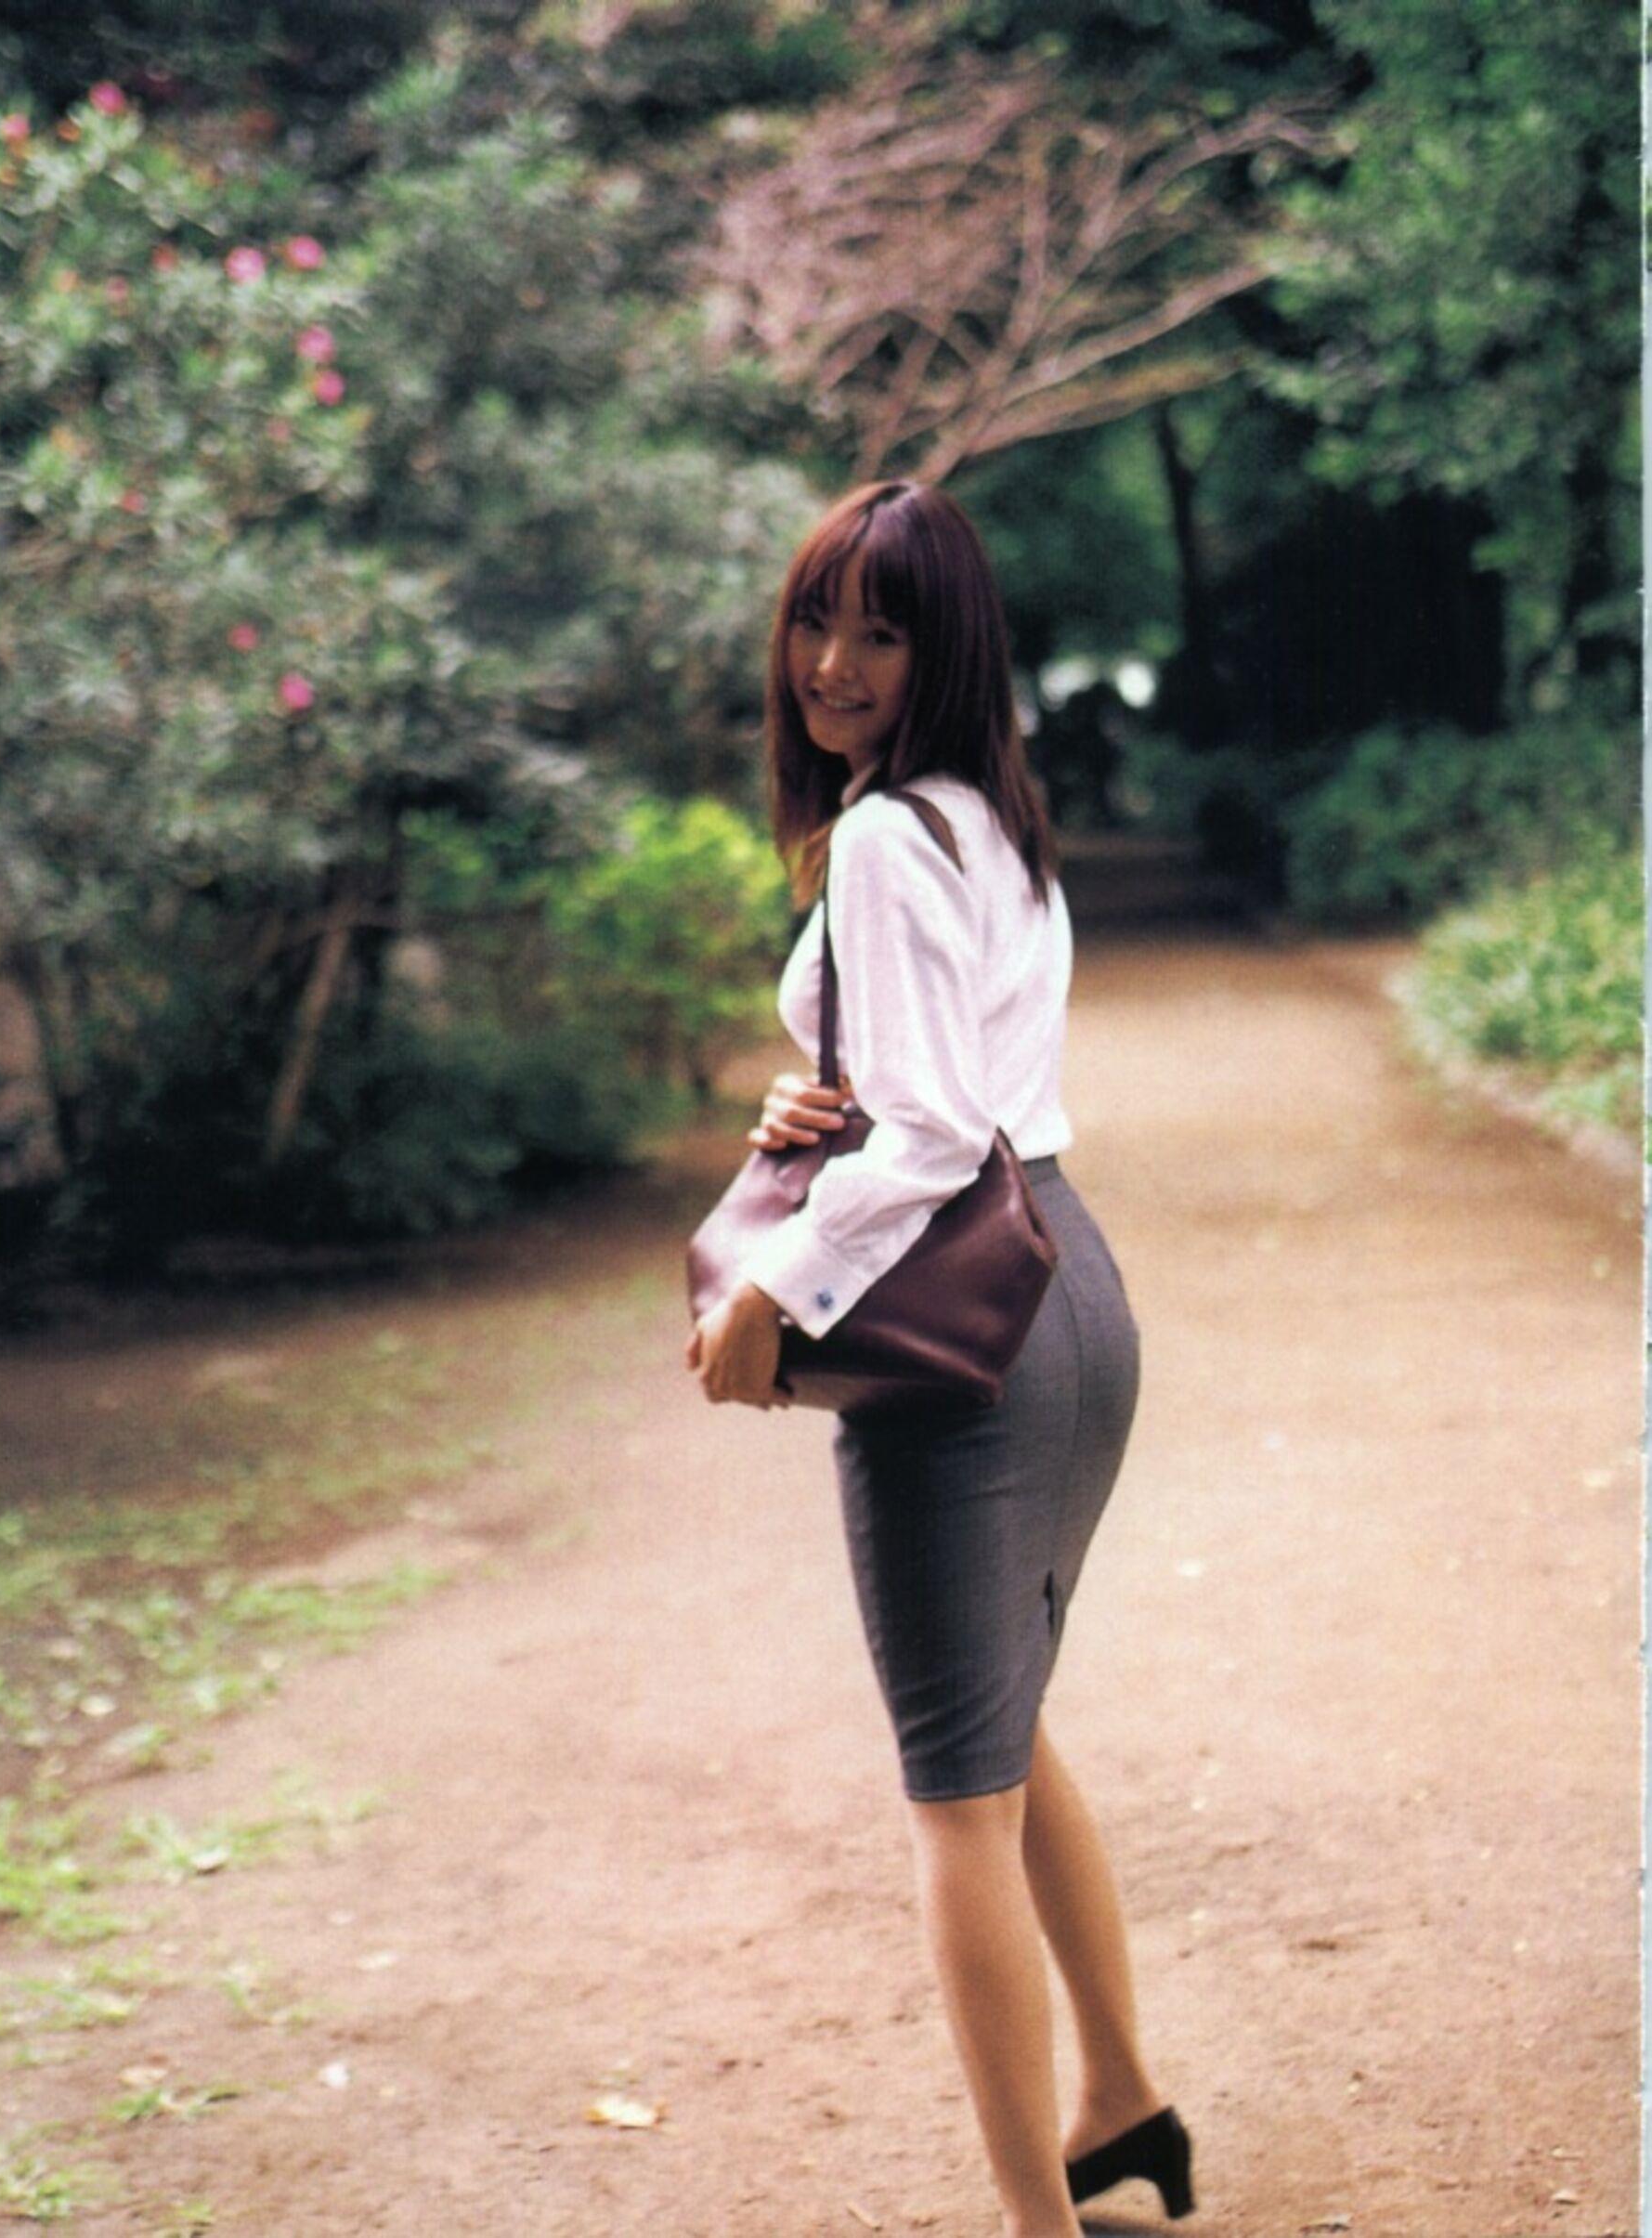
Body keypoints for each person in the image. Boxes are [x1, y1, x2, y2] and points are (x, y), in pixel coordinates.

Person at [683, 480, 1194, 2237]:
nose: (834, 662)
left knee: (954, 1798)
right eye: (815, 620)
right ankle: (1121, 2099)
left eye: (882, 631)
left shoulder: (892, 837)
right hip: (1071, 1290)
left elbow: (925, 1136)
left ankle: (1039, 2223)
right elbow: (947, 1077)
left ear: (946, 647)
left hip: (970, 1331)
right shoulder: (988, 818)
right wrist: (808, 1086)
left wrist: (773, 1291)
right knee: (1004, 1729)